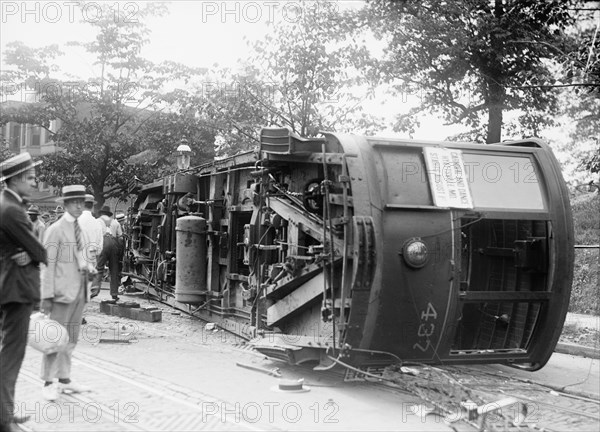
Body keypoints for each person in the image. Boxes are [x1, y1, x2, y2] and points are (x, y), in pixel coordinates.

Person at [0, 153, 48, 432]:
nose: (33, 182)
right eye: (30, 178)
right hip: (16, 289)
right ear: (16, 179)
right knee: (11, 356)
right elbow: (40, 251)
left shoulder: (9, 204)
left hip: (12, 286)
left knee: (10, 353)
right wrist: (30, 255)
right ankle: (3, 418)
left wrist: (25, 254)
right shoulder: (12, 210)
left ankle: (5, 409)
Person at [39, 185, 96, 401]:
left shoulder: (78, 228)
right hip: (61, 294)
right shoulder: (55, 230)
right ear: (65, 204)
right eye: (74, 202)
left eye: (81, 202)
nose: (79, 206)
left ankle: (64, 379)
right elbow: (48, 265)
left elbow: (79, 258)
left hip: (80, 290)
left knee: (71, 339)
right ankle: (47, 382)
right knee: (54, 339)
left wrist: (89, 268)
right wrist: (46, 296)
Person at [79, 195, 104, 298]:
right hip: (92, 253)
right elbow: (100, 243)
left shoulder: (77, 220)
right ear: (92, 207)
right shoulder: (97, 223)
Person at [95, 206, 122, 301]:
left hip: (103, 242)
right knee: (114, 269)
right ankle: (114, 293)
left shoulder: (97, 221)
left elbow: (95, 235)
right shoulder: (115, 222)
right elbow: (120, 237)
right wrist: (119, 251)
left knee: (99, 268)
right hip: (114, 242)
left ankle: (95, 291)